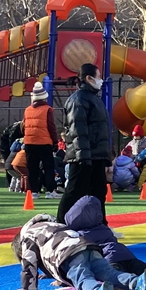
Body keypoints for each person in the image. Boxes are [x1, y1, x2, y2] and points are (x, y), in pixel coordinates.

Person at [12, 213, 146, 290]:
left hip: (68, 253)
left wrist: (28, 287)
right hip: (87, 245)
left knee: (82, 278)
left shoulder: (27, 236)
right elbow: (50, 248)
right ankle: (137, 282)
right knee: (109, 273)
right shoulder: (51, 224)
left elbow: (30, 263)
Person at [63, 195, 146, 281]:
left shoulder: (79, 235)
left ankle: (125, 283)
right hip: (125, 254)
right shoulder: (103, 228)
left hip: (108, 258)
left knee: (113, 275)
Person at [57, 63, 112, 223]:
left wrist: (105, 156)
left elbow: (100, 130)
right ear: (89, 78)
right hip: (82, 156)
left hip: (96, 155)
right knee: (75, 192)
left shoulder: (94, 99)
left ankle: (100, 225)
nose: (101, 80)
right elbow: (78, 130)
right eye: (98, 76)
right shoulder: (78, 100)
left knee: (98, 192)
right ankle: (61, 224)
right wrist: (83, 157)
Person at [23, 81, 60, 199]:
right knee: (48, 167)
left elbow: (23, 126)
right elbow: (51, 127)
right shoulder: (47, 109)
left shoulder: (27, 110)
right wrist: (55, 141)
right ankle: (50, 191)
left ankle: (34, 191)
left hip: (29, 142)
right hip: (44, 142)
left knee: (32, 168)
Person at [0, 121, 23, 187]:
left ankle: (12, 185)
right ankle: (10, 184)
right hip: (6, 148)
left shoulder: (18, 127)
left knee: (10, 166)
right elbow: (11, 140)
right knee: (10, 165)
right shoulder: (16, 129)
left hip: (8, 146)